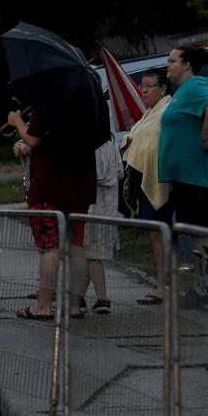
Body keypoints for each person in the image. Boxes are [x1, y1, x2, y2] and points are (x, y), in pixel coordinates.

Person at [6, 101, 98, 320]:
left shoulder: (48, 99)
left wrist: (17, 122)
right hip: (79, 184)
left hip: (50, 186)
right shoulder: (87, 103)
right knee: (77, 247)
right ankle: (74, 306)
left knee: (49, 247)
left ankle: (44, 306)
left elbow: (35, 137)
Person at [122, 70, 173, 305]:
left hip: (158, 181)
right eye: (142, 86)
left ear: (162, 89)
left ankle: (165, 285)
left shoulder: (165, 111)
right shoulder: (150, 113)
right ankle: (163, 282)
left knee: (160, 234)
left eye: (149, 86)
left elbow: (155, 143)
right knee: (155, 235)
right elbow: (140, 138)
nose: (143, 90)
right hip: (144, 179)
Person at [159, 46, 208, 228]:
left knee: (200, 234)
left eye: (172, 61)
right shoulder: (183, 90)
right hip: (184, 178)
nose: (167, 65)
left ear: (187, 65)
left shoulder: (195, 85)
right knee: (191, 233)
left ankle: (206, 258)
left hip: (196, 179)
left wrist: (204, 139)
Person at [83, 134, 122, 314]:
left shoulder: (95, 145)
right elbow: (120, 172)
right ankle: (78, 295)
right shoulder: (111, 142)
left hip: (94, 206)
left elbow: (97, 173)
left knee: (90, 253)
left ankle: (102, 298)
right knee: (88, 255)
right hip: (107, 206)